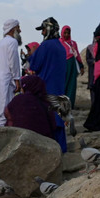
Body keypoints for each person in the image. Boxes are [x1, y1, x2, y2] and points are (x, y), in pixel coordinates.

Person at [29, 17, 68, 151]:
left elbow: (34, 65)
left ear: (49, 29)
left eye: (43, 30)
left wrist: (32, 54)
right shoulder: (61, 47)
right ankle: (63, 151)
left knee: (48, 123)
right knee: (58, 122)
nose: (42, 33)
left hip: (46, 89)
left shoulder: (45, 46)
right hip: (59, 89)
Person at [5, 75, 57, 140]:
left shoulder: (18, 99)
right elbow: (53, 126)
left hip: (18, 140)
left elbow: (6, 113)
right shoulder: (46, 103)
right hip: (44, 142)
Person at [59, 25, 84, 108]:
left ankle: (70, 104)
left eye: (68, 33)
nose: (66, 35)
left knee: (72, 85)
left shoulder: (73, 43)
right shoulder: (59, 42)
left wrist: (81, 65)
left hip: (72, 65)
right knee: (64, 84)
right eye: (65, 33)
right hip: (63, 65)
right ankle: (62, 104)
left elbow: (77, 55)